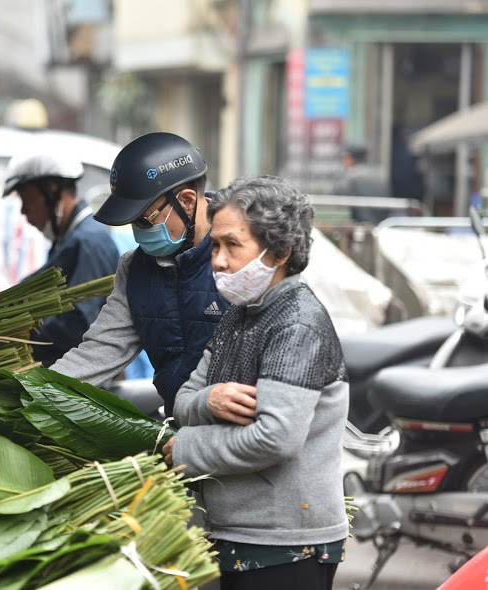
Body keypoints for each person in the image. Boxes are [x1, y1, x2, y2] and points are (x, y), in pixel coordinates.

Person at [162, 176, 349, 590]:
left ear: (279, 251)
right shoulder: (238, 314)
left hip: (284, 546)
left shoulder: (297, 324)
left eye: (232, 245)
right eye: (214, 245)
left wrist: (185, 448)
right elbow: (184, 399)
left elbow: (276, 438)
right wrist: (211, 399)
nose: (218, 260)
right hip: (237, 535)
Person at [50, 132, 228, 416]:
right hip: (180, 431)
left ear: (187, 201)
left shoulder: (243, 261)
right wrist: (25, 395)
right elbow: (98, 352)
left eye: (145, 219)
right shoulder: (135, 270)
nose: (138, 232)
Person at [3, 153, 120, 366]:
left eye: (26, 199)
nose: (23, 211)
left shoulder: (90, 242)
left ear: (52, 191)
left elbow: (78, 325)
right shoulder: (68, 241)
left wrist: (14, 336)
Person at [333, 142, 391, 224]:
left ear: (349, 157)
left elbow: (336, 200)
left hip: (361, 229)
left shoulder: (350, 177)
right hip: (380, 225)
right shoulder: (378, 175)